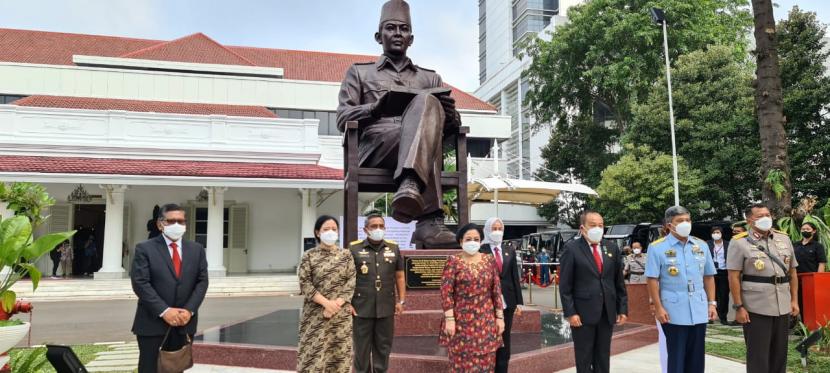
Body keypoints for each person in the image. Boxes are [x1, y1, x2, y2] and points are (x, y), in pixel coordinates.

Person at [336, 0, 462, 248]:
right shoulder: (360, 73)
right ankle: (430, 220)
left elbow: (447, 130)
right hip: (377, 146)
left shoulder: (430, 77)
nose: (397, 34)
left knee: (428, 106)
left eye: (403, 29)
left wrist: (451, 116)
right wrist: (374, 108)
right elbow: (342, 118)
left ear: (411, 38)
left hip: (421, 147)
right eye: (390, 28)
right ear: (378, 36)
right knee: (427, 137)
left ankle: (410, 185)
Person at [130, 203, 209, 373]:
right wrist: (165, 311)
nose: (177, 225)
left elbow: (202, 282)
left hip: (184, 323)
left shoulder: (197, 250)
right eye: (172, 221)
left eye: (181, 221)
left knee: (177, 367)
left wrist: (189, 311)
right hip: (153, 323)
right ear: (160, 224)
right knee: (150, 368)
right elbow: (140, 283)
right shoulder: (145, 249)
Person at [727, 203, 799, 373]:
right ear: (749, 220)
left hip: (782, 304)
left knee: (779, 354)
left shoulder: (784, 238)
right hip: (755, 306)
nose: (766, 218)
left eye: (767, 214)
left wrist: (794, 300)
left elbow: (793, 272)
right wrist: (739, 306)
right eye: (760, 216)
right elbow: (733, 277)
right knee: (758, 355)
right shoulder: (739, 242)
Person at [646, 206, 717, 373]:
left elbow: (708, 276)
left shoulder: (701, 245)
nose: (685, 224)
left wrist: (712, 303)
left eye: (687, 220)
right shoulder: (657, 247)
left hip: (699, 308)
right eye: (680, 221)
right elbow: (652, 280)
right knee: (677, 357)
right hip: (673, 310)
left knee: (697, 357)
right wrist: (658, 307)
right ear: (670, 225)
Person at [559, 210, 628, 373]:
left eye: (601, 225)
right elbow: (565, 285)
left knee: (603, 355)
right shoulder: (572, 248)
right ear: (582, 228)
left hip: (607, 311)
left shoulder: (611, 248)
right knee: (584, 356)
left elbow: (618, 281)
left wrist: (622, 308)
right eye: (593, 225)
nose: (598, 228)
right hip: (582, 314)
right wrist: (570, 312)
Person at [439, 223, 504, 372]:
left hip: (486, 322)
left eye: (476, 239)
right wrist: (449, 320)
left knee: (486, 363)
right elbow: (446, 292)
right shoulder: (453, 261)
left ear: (481, 241)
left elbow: (496, 290)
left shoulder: (489, 260)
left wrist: (500, 318)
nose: (472, 242)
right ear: (461, 241)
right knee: (461, 362)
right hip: (460, 322)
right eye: (468, 239)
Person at [297, 215, 356, 373]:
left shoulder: (346, 255)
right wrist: (326, 303)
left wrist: (336, 304)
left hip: (340, 315)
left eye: (334, 229)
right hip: (315, 314)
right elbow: (305, 283)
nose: (330, 232)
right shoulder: (309, 256)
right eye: (326, 229)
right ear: (317, 232)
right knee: (313, 357)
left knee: (339, 356)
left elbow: (351, 281)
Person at [348, 213, 405, 373]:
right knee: (361, 350)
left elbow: (400, 276)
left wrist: (401, 301)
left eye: (381, 226)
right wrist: (347, 302)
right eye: (374, 226)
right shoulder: (354, 248)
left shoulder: (393, 248)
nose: (378, 229)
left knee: (383, 348)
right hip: (360, 308)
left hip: (386, 307)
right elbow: (346, 279)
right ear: (366, 229)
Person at [480, 217, 524, 373]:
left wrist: (519, 302)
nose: (497, 232)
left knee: (505, 338)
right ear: (487, 230)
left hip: (508, 302)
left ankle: (502, 368)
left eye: (500, 228)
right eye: (494, 228)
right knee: (487, 338)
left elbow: (514, 277)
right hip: (487, 303)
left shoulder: (509, 250)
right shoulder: (481, 250)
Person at [794, 222, 827, 318]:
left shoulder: (817, 246)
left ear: (814, 231)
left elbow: (822, 263)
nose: (805, 231)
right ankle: (803, 325)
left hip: (811, 281)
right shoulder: (795, 245)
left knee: (811, 303)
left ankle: (813, 327)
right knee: (799, 302)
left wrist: (818, 280)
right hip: (796, 279)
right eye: (803, 229)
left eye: (808, 229)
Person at [706, 226, 732, 325]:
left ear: (721, 233)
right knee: (712, 295)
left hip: (724, 271)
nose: (716, 234)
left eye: (717, 232)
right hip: (711, 272)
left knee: (724, 295)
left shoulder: (727, 244)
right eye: (714, 232)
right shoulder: (707, 244)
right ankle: (710, 316)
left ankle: (723, 317)